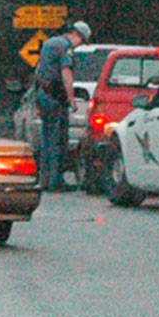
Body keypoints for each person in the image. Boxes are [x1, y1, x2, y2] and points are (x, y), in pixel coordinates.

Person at [34, 19, 91, 191]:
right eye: (82, 41)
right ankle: (55, 181)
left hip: (44, 95)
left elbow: (38, 72)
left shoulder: (50, 43)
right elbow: (66, 72)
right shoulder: (66, 47)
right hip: (56, 98)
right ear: (77, 35)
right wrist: (71, 98)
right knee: (58, 140)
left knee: (46, 140)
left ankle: (44, 179)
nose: (80, 46)